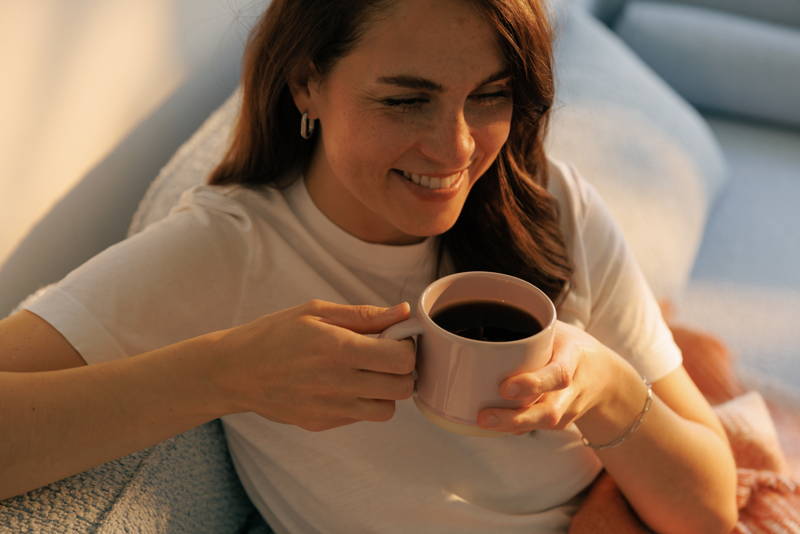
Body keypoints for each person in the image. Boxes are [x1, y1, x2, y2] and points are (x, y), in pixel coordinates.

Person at [0, 0, 738, 532]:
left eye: (489, 96)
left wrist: (606, 388)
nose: (455, 151)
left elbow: (711, 505)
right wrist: (226, 374)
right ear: (305, 84)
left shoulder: (552, 206)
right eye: (407, 101)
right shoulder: (231, 251)